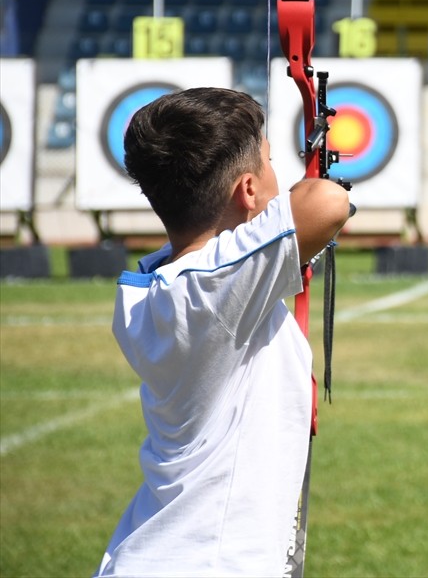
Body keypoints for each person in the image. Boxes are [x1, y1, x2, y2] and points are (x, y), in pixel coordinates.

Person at [96, 87, 351, 576]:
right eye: (273, 162)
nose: (283, 177)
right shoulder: (208, 292)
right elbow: (326, 202)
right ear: (249, 190)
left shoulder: (166, 285)